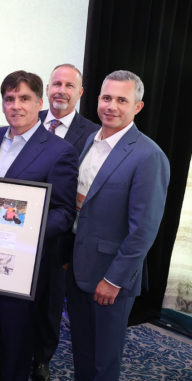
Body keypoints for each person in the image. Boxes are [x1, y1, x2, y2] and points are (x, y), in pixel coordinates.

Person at [0, 70, 78, 380]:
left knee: (15, 344)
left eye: (24, 98)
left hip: (24, 267)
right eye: (9, 99)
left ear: (39, 103)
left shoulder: (59, 151)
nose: (16, 106)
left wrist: (23, 230)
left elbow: (63, 212)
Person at [67, 70, 170, 380]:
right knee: (82, 350)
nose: (111, 106)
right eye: (106, 98)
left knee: (104, 360)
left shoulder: (149, 156)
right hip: (78, 268)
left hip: (110, 277)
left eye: (122, 100)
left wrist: (114, 280)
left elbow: (143, 230)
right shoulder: (91, 140)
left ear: (137, 107)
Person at [31, 64, 99, 380]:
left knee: (49, 303)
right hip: (20, 225)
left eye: (69, 85)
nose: (62, 90)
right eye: (56, 83)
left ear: (80, 92)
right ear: (47, 89)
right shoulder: (28, 120)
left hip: (61, 235)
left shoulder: (93, 134)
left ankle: (41, 359)